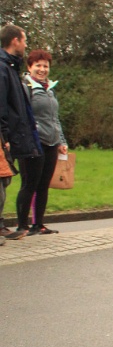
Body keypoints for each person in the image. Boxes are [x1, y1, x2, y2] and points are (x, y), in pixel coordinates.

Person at [19, 49, 67, 235]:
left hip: (51, 143)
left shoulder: (50, 89)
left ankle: (38, 224)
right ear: (29, 67)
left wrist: (61, 141)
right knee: (29, 184)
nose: (42, 69)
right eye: (38, 65)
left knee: (43, 185)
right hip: (33, 143)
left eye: (45, 66)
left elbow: (55, 118)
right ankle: (22, 225)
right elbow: (22, 116)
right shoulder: (26, 87)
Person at [0, 25, 42, 241]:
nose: (25, 45)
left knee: (5, 180)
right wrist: (4, 136)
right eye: (24, 40)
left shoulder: (10, 67)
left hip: (15, 133)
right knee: (2, 180)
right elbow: (2, 104)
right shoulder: (3, 68)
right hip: (6, 135)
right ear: (15, 40)